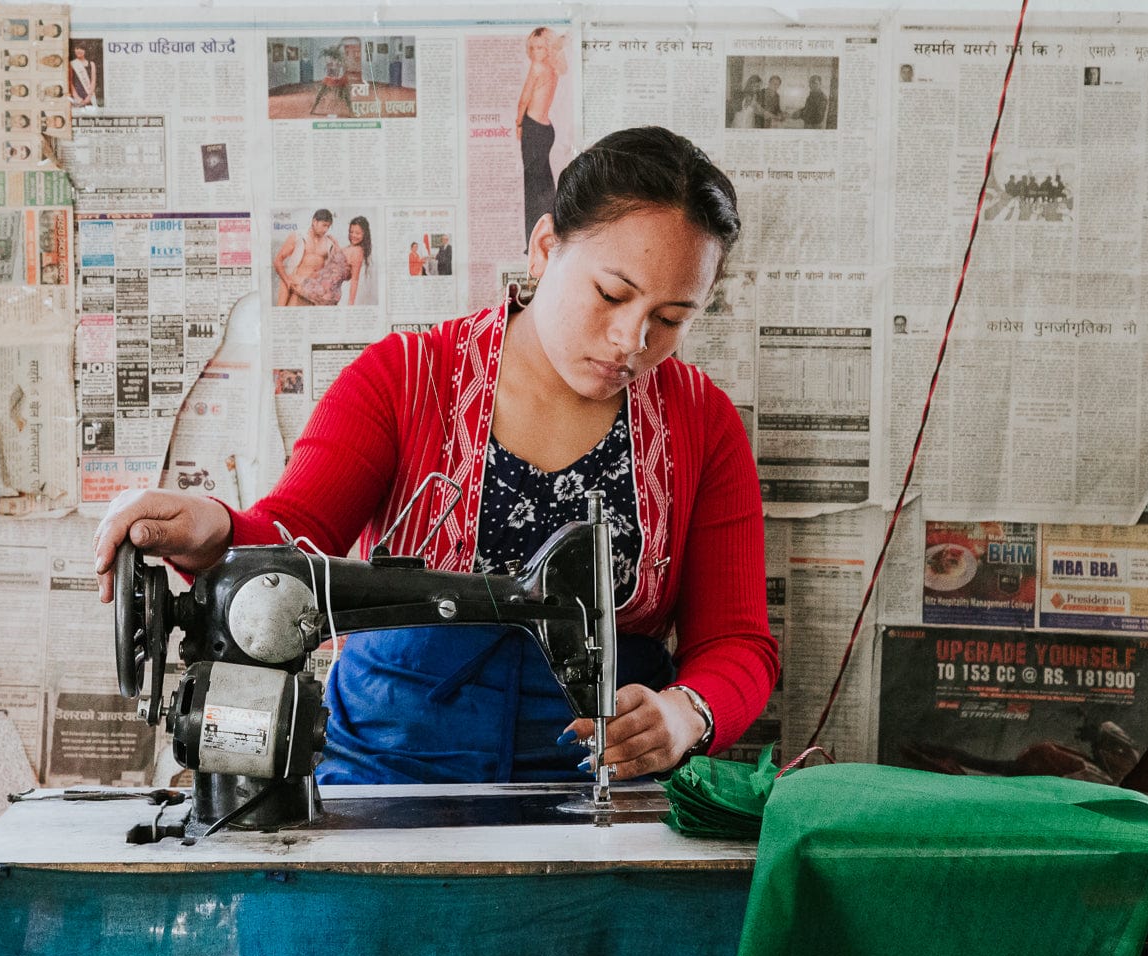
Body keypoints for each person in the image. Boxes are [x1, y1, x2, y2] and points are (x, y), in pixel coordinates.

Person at [94, 126, 779, 785]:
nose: (633, 338)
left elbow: (737, 643)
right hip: (387, 768)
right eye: (611, 294)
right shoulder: (403, 378)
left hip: (601, 772)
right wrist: (212, 526)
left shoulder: (701, 424)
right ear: (544, 249)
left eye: (671, 319)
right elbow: (290, 543)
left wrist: (687, 713)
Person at [516, 27, 567, 245]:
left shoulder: (537, 68)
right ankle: (553, 234)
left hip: (534, 129)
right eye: (533, 48)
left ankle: (533, 241)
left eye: (540, 47)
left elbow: (523, 100)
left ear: (547, 49)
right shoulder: (553, 68)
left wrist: (519, 123)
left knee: (533, 187)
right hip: (546, 130)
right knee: (545, 185)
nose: (536, 52)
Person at [274, 209, 341, 306]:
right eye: (324, 225)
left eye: (328, 226)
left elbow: (339, 267)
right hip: (298, 288)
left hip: (316, 293)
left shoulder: (329, 243)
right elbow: (278, 260)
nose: (326, 229)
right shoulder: (298, 236)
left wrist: (336, 244)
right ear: (314, 221)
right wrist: (287, 281)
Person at [342, 216, 372, 305]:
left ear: (364, 234)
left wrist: (350, 303)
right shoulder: (351, 247)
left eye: (358, 233)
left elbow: (355, 280)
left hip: (326, 292)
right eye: (351, 232)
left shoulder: (358, 251)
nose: (353, 235)